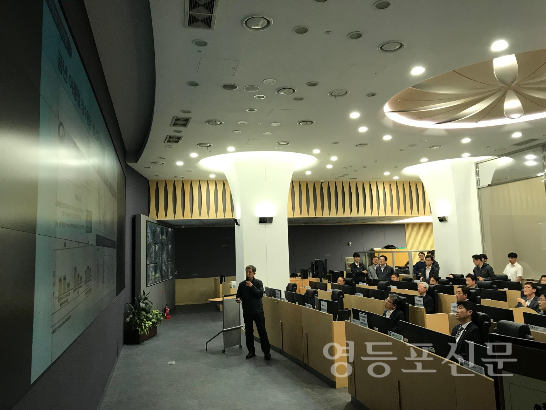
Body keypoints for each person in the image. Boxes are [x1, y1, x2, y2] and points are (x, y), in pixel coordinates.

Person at [236, 265, 271, 360]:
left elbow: (260, 294)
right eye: (246, 272)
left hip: (258, 311)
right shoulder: (242, 284)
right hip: (247, 311)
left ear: (254, 273)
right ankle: (251, 351)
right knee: (248, 332)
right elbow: (238, 295)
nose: (247, 274)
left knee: (262, 331)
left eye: (249, 272)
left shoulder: (258, 283)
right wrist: (238, 299)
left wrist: (252, 287)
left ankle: (266, 352)